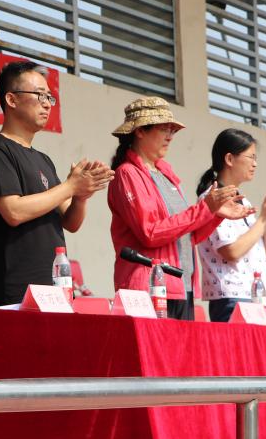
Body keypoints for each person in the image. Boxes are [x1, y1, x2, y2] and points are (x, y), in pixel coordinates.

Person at [0, 60, 113, 306]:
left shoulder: (43, 160)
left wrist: (81, 196)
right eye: (39, 95)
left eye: (49, 97)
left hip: (55, 288)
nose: (47, 103)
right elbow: (13, 212)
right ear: (11, 99)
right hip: (15, 291)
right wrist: (70, 186)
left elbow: (71, 222)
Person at [107, 97, 249, 320]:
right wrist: (204, 209)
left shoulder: (166, 175)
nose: (170, 136)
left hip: (179, 287)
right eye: (164, 129)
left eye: (172, 130)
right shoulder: (127, 173)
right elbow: (150, 233)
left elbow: (187, 237)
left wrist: (213, 214)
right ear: (140, 131)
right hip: (148, 287)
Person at [195, 129, 266, 322]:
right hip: (233, 296)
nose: (255, 164)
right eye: (251, 157)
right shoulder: (213, 199)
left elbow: (262, 254)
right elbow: (232, 251)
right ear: (229, 159)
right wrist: (264, 219)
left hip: (258, 294)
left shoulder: (243, 200)